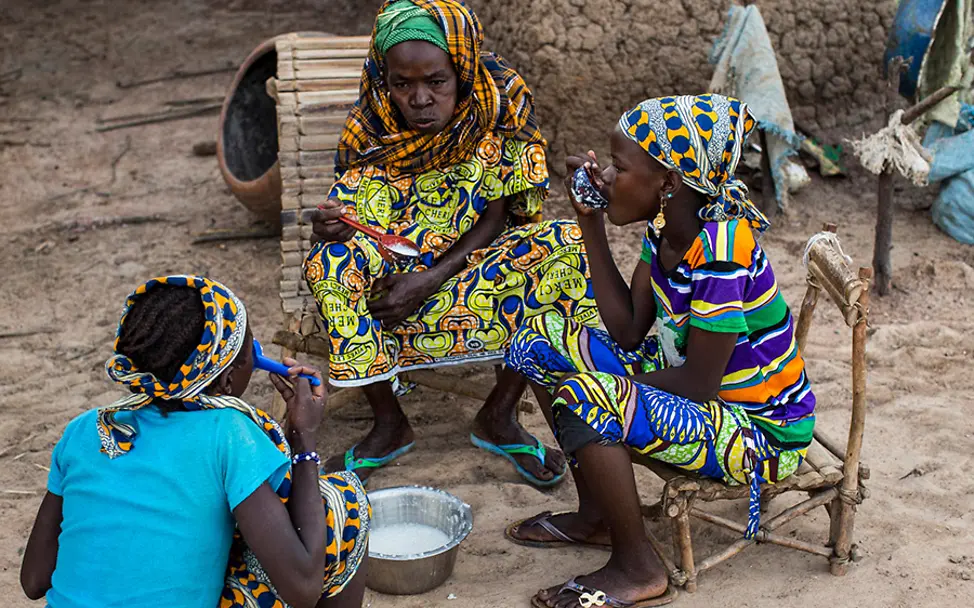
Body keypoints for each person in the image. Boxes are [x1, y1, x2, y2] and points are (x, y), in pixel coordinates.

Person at [503, 95, 816, 608]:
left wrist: (606, 391)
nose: (605, 175)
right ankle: (596, 516)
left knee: (589, 398)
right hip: (698, 392)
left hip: (760, 432)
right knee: (539, 341)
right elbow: (628, 331)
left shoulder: (721, 249)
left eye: (619, 167)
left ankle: (639, 566)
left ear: (668, 184)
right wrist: (590, 223)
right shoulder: (664, 230)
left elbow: (698, 384)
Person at [305, 0, 596, 487]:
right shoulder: (373, 122)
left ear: (460, 71)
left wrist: (430, 279)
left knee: (566, 245)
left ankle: (499, 414)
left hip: (475, 270)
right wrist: (335, 229)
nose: (419, 99)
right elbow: (356, 212)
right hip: (393, 287)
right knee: (328, 263)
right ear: (386, 80)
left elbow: (502, 217)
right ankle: (390, 423)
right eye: (403, 84)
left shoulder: (501, 108)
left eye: (436, 82)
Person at [20, 276, 369, 608]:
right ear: (229, 380)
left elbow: (34, 580)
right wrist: (304, 439)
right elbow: (303, 589)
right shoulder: (228, 434)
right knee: (340, 500)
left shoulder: (85, 429)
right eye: (251, 349)